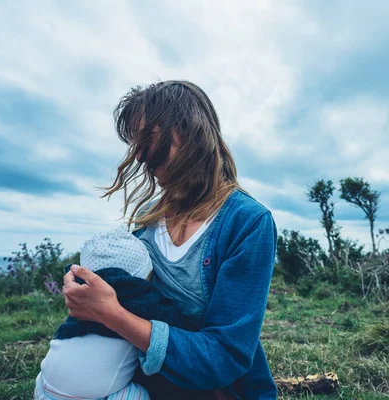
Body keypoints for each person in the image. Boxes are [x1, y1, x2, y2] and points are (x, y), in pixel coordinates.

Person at [62, 80, 279, 399]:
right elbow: (129, 292)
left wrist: (111, 313)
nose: (139, 156)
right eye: (136, 143)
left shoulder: (247, 222)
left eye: (148, 137)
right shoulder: (148, 219)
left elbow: (224, 358)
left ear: (190, 129)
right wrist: (87, 287)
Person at [34, 224, 196, 400]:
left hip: (45, 386)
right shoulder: (143, 303)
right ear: (146, 275)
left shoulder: (82, 300)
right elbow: (176, 325)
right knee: (139, 393)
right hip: (88, 396)